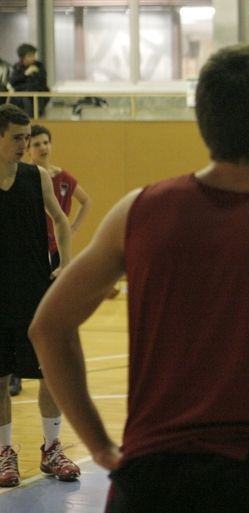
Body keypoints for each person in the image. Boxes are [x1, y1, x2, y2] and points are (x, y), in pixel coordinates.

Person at [28, 44, 249, 513]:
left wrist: (98, 445)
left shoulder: (137, 211)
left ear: (203, 124)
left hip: (149, 485)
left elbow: (48, 327)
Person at [0, 103, 79, 487]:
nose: (24, 144)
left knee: (49, 374)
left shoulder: (38, 178)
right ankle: (4, 453)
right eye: (17, 138)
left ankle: (52, 449)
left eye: (27, 137)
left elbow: (62, 224)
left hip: (36, 293)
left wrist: (65, 265)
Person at [28, 124, 93, 271]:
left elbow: (86, 201)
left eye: (46, 143)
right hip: (33, 244)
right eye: (37, 144)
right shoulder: (25, 176)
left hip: (57, 244)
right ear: (28, 150)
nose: (43, 147)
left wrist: (74, 228)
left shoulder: (63, 177)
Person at [8, 43, 50, 117]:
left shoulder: (39, 66)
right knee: (23, 98)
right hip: (21, 96)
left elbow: (42, 82)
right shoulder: (17, 67)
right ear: (22, 58)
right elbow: (13, 82)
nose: (33, 58)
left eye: (34, 55)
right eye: (30, 56)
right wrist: (26, 74)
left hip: (37, 95)